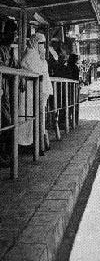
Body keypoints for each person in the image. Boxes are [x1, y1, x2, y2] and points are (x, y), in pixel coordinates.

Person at [19, 33, 53, 146]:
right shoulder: (30, 55)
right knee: (30, 116)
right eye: (40, 43)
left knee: (39, 116)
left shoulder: (38, 56)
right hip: (30, 92)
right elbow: (37, 71)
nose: (42, 46)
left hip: (40, 91)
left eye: (43, 43)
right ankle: (32, 142)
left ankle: (38, 141)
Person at [0, 19, 18, 167]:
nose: (14, 36)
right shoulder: (1, 49)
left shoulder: (10, 50)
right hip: (1, 92)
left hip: (6, 92)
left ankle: (5, 154)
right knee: (4, 122)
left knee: (7, 121)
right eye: (12, 33)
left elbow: (15, 66)